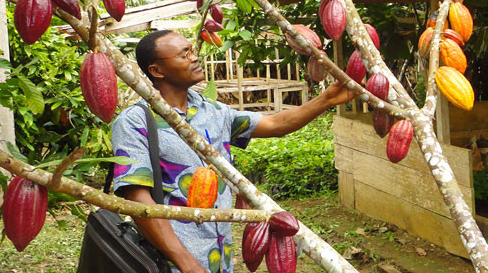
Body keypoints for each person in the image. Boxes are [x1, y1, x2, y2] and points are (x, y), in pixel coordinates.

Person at [110, 30, 355, 273]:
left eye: (192, 51)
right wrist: (186, 263)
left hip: (220, 255)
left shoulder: (213, 111)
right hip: (169, 261)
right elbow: (138, 200)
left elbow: (276, 124)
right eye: (184, 54)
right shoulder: (134, 122)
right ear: (156, 71)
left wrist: (327, 99)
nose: (194, 58)